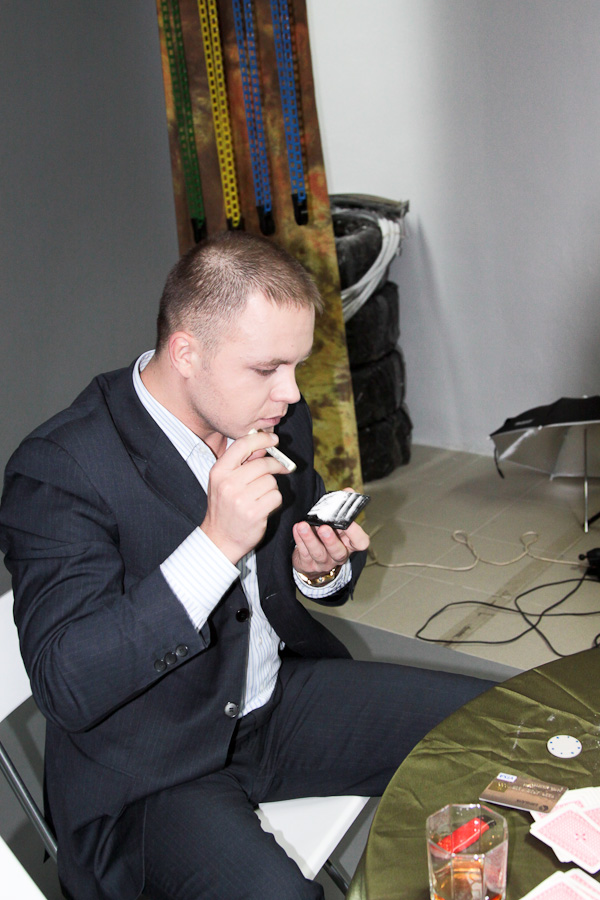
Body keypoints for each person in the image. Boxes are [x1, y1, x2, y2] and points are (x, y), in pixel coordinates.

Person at [0, 232, 493, 900]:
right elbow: (68, 684)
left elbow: (300, 552)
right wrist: (214, 545)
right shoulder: (61, 468)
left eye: (296, 365)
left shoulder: (270, 416)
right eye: (267, 368)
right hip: (149, 774)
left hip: (274, 704)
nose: (289, 393)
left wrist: (320, 570)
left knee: (500, 729)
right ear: (186, 353)